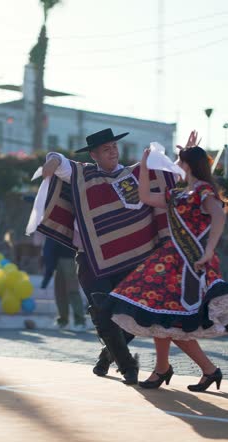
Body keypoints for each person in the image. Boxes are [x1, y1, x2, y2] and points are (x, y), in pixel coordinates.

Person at [27, 128, 175, 384]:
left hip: (131, 260)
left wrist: (177, 158)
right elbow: (60, 161)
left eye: (114, 147)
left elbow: (163, 173)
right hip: (91, 259)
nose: (112, 151)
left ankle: (108, 355)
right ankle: (128, 366)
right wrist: (51, 162)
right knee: (102, 311)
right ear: (94, 155)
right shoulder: (83, 173)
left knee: (134, 316)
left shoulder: (132, 175)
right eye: (106, 149)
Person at [101, 144, 228, 392]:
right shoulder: (179, 193)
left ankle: (184, 369)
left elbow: (219, 216)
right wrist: (145, 167)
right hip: (171, 264)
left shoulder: (202, 191)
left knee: (172, 321)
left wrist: (210, 249)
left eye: (179, 161)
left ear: (187, 165)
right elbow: (146, 196)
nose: (175, 165)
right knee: (158, 317)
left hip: (190, 266)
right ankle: (178, 369)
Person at [41, 236, 87, 330]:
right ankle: (62, 321)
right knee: (60, 292)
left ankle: (80, 322)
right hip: (57, 259)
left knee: (73, 291)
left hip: (69, 258)